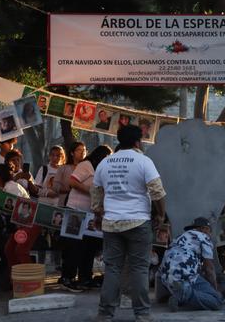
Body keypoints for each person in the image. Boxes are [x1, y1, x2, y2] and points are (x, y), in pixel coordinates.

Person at [91, 125, 166, 322]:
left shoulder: (104, 163)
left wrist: (99, 218)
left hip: (111, 224)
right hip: (139, 222)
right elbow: (157, 192)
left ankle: (105, 313)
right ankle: (141, 314)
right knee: (139, 269)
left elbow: (96, 197)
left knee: (112, 269)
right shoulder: (143, 161)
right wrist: (160, 215)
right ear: (137, 142)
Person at [62, 145, 112, 291]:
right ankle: (68, 277)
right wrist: (91, 191)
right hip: (75, 210)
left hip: (91, 214)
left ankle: (85, 277)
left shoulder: (100, 170)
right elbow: (72, 182)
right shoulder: (86, 165)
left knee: (89, 246)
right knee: (73, 246)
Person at [159, 217, 222, 311]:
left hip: (165, 278)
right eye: (210, 231)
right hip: (185, 274)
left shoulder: (178, 237)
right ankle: (185, 293)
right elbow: (209, 270)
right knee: (216, 300)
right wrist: (215, 291)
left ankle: (181, 295)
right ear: (204, 229)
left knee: (196, 290)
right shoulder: (203, 237)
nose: (210, 235)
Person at [53, 141, 86, 207]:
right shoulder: (63, 168)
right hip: (64, 203)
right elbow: (55, 186)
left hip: (81, 205)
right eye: (79, 150)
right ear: (72, 153)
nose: (82, 152)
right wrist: (69, 190)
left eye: (84, 150)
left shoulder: (87, 169)